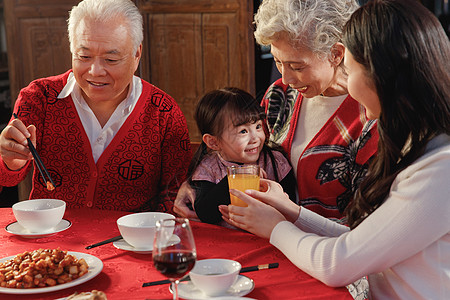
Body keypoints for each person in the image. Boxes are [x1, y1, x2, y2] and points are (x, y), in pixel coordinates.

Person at [223, 0, 450, 298]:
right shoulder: (423, 147)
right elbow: (360, 240)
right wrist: (291, 212)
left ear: (382, 75)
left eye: (350, 68)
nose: (349, 85)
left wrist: (277, 227)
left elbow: (339, 262)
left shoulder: (438, 168)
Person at [174, 0, 379, 222]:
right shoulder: (280, 95)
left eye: (297, 66)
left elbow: (366, 224)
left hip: (329, 249)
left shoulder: (371, 113)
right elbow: (244, 153)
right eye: (278, 61)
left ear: (336, 54)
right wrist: (199, 186)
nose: (286, 78)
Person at [0, 0, 191, 212]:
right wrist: (10, 161)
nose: (95, 71)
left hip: (131, 241)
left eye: (110, 59)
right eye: (84, 56)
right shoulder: (39, 98)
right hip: (52, 240)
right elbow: (7, 179)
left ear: (137, 54)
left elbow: (175, 197)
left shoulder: (163, 112)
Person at [187, 87, 296, 226]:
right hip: (228, 241)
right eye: (243, 131)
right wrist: (234, 179)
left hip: (271, 235)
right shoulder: (209, 167)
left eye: (257, 126)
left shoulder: (274, 162)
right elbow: (205, 213)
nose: (255, 138)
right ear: (213, 142)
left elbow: (291, 206)